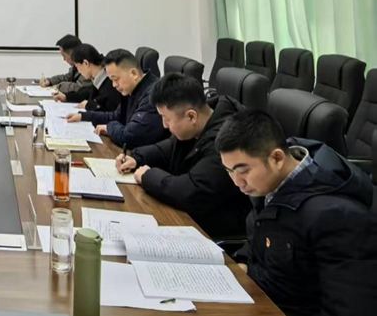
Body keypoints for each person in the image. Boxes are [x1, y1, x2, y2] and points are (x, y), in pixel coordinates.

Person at [216, 110, 377, 316]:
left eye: (243, 171)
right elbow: (264, 245)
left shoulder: (335, 216)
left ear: (277, 158)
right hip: (260, 299)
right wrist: (243, 263)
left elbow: (350, 307)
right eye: (229, 171)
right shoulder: (268, 186)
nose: (237, 182)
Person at [115, 73, 249, 239]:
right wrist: (137, 158)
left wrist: (148, 176)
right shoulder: (201, 122)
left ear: (191, 116)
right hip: (191, 218)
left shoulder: (225, 143)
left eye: (166, 119)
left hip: (211, 229)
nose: (164, 125)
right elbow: (168, 148)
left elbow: (191, 192)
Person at [67, 49, 167, 149]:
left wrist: (109, 127)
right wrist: (84, 116)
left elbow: (129, 137)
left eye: (116, 79)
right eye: (111, 80)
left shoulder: (153, 94)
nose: (114, 85)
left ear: (134, 74)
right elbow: (117, 116)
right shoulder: (131, 89)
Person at [53, 43, 121, 112]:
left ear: (86, 63)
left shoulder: (110, 81)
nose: (79, 71)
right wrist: (66, 97)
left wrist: (89, 105)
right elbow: (87, 94)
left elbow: (109, 110)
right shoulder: (98, 79)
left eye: (77, 67)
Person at [40, 34, 92, 101]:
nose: (64, 59)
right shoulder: (76, 66)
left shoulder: (86, 65)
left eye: (64, 56)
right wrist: (50, 81)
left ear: (73, 54)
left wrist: (59, 86)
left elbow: (79, 88)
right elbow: (67, 77)